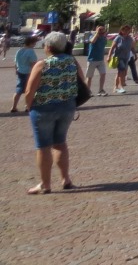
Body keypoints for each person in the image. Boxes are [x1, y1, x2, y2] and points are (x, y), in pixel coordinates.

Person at [24, 31, 86, 194]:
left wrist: (29, 106)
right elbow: (82, 81)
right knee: (60, 142)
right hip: (67, 107)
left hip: (43, 108)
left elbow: (30, 90)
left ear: (49, 47)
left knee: (43, 146)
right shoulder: (72, 61)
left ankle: (45, 184)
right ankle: (65, 179)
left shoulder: (42, 64)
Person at [12, 35, 40, 112]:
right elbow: (33, 63)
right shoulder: (31, 51)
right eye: (34, 43)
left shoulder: (19, 51)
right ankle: (27, 106)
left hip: (20, 72)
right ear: (31, 43)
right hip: (28, 73)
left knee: (18, 90)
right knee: (29, 90)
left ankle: (14, 106)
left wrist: (16, 69)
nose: (34, 45)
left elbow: (16, 62)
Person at [106, 25, 133, 94]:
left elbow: (131, 47)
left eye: (128, 30)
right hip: (118, 57)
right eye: (125, 30)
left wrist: (135, 54)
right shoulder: (118, 38)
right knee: (122, 71)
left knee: (121, 72)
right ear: (122, 30)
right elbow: (112, 48)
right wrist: (109, 56)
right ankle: (121, 87)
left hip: (126, 57)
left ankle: (115, 87)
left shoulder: (129, 38)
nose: (127, 31)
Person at [85, 25, 109, 97]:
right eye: (100, 30)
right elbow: (92, 41)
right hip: (92, 60)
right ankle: (88, 91)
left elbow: (104, 43)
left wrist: (103, 35)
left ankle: (101, 90)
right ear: (96, 30)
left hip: (100, 60)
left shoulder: (104, 38)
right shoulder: (92, 36)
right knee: (89, 77)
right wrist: (97, 33)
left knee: (103, 74)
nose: (101, 32)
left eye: (102, 30)